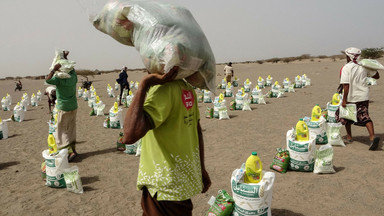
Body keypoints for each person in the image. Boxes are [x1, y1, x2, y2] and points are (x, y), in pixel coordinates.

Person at [123, 67, 211, 216]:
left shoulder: (162, 90)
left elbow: (129, 134)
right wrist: (201, 169)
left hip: (163, 187)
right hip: (181, 184)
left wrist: (144, 85)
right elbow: (197, 131)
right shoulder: (187, 89)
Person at [338, 47, 380, 150]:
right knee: (365, 116)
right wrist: (371, 68)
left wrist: (344, 100)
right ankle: (372, 137)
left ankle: (349, 136)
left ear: (349, 57)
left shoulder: (346, 68)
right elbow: (377, 76)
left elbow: (346, 86)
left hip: (351, 97)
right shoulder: (363, 66)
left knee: (347, 116)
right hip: (363, 96)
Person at [45, 50, 78, 161]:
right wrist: (65, 58)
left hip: (63, 107)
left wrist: (54, 69)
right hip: (73, 106)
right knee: (71, 128)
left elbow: (48, 80)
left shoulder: (59, 80)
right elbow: (71, 68)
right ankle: (73, 149)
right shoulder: (73, 77)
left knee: (62, 130)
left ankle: (68, 152)